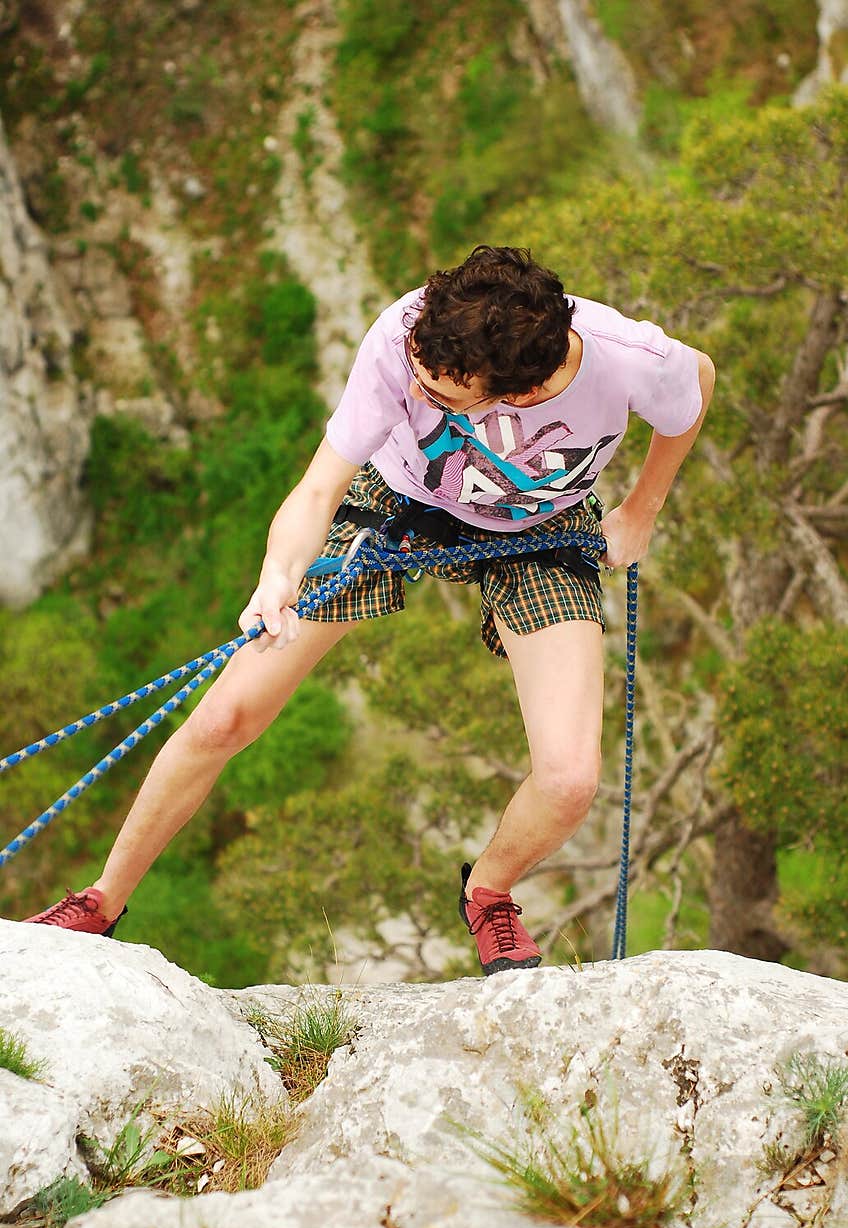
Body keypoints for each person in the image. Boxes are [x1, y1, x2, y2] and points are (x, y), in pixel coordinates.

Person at [24, 245, 715, 974]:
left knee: (571, 781)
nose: (417, 390)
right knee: (228, 713)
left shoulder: (627, 357)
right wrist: (278, 575)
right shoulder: (408, 335)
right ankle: (101, 900)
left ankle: (488, 891)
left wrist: (643, 509)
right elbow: (321, 486)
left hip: (539, 528)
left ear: (520, 392)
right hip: (401, 500)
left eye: (442, 396)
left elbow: (695, 385)